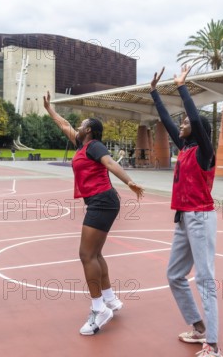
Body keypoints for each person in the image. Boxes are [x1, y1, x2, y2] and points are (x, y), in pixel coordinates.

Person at [43, 91, 144, 336]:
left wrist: (129, 181)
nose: (77, 126)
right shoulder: (82, 145)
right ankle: (110, 299)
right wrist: (49, 109)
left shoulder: (96, 146)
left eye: (82, 125)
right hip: (100, 201)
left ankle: (99, 309)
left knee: (86, 255)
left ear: (89, 130)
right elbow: (64, 124)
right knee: (95, 254)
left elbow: (110, 163)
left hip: (103, 201)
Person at [149, 66, 222, 357]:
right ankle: (199, 327)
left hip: (201, 218)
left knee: (205, 279)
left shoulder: (206, 152)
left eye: (186, 123)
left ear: (199, 129)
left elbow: (193, 117)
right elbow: (167, 122)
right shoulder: (186, 149)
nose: (181, 125)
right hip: (183, 217)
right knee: (174, 275)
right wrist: (155, 94)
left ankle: (213, 345)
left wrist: (182, 87)